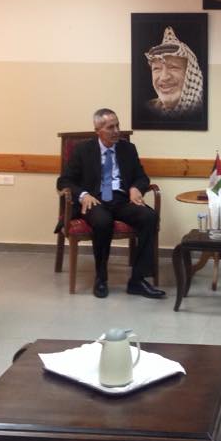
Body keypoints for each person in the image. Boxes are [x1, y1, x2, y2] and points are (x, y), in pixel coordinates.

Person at [56, 108, 165, 300]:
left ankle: (137, 280)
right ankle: (101, 278)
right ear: (98, 130)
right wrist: (83, 195)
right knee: (102, 221)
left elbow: (142, 177)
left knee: (149, 217)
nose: (116, 131)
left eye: (117, 125)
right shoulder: (83, 150)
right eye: (110, 127)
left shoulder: (127, 149)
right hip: (95, 200)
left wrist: (136, 188)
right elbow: (64, 181)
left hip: (121, 199)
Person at [144, 26, 203, 119]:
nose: (164, 77)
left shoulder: (201, 108)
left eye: (173, 67)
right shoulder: (149, 107)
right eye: (156, 69)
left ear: (190, 74)